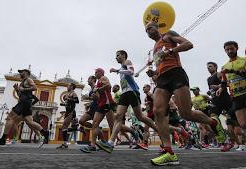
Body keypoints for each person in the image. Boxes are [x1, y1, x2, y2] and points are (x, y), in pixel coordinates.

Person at [144, 22, 225, 166]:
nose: (148, 31)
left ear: (157, 27)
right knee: (158, 112)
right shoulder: (154, 47)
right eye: (146, 31)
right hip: (162, 78)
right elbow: (160, 65)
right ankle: (169, 152)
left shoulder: (169, 35)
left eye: (150, 28)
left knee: (186, 113)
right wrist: (154, 73)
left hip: (176, 74)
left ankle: (213, 122)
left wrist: (170, 51)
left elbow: (188, 44)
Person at [96, 50, 157, 153]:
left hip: (132, 91)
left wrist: (117, 70)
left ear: (123, 55)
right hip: (125, 93)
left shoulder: (127, 62)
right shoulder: (121, 67)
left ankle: (159, 129)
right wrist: (118, 70)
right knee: (118, 116)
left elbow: (131, 72)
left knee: (140, 117)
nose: (116, 58)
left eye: (118, 55)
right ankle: (110, 143)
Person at [0, 69, 49, 146]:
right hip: (25, 102)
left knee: (9, 118)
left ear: (26, 73)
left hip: (24, 103)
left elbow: (35, 88)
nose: (20, 73)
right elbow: (21, 95)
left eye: (21, 72)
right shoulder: (23, 82)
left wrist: (23, 89)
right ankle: (45, 132)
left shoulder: (29, 79)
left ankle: (3, 139)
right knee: (29, 122)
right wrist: (17, 90)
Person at [216, 41, 246, 148]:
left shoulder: (244, 60)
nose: (229, 51)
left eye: (231, 49)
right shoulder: (224, 66)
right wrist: (221, 88)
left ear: (236, 48)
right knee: (242, 124)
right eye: (227, 49)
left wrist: (233, 70)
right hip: (236, 96)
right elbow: (224, 81)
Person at [56, 83, 79, 149]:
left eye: (68, 85)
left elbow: (77, 101)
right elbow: (68, 103)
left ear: (71, 87)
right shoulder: (68, 94)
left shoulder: (73, 93)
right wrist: (63, 104)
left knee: (64, 126)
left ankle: (65, 143)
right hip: (67, 112)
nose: (67, 86)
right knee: (64, 127)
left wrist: (68, 99)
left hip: (71, 112)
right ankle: (65, 143)